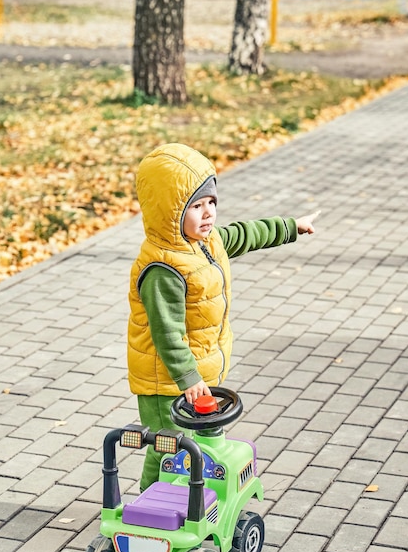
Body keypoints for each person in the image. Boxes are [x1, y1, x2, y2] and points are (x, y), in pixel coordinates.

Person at [128, 142, 320, 491]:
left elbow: (245, 234)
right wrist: (188, 378)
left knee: (193, 446)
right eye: (196, 206)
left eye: (211, 203)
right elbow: (167, 333)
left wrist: (291, 226)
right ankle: (146, 512)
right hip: (167, 381)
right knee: (166, 446)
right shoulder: (163, 268)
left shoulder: (205, 243)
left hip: (194, 376)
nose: (208, 214)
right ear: (169, 212)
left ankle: (183, 502)